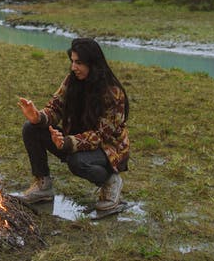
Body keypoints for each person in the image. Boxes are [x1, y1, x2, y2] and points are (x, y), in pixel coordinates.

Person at [15, 37, 130, 213]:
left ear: (93, 63)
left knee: (77, 162)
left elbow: (100, 136)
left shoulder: (113, 93)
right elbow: (55, 108)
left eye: (79, 63)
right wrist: (38, 116)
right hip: (74, 140)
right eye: (72, 61)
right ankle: (43, 185)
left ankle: (110, 181)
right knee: (30, 128)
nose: (73, 67)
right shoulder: (72, 80)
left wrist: (67, 143)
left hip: (107, 150)